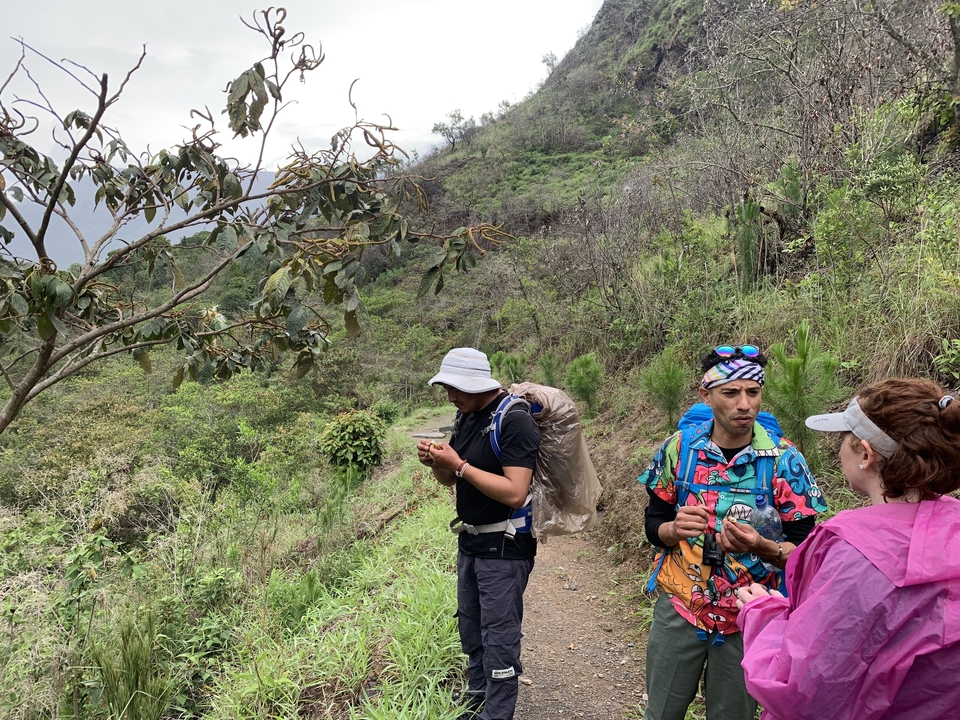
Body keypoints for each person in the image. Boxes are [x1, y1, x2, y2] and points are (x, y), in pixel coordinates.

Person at [737, 378, 960, 720]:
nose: (840, 448)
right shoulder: (951, 531)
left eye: (844, 439)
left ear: (866, 455)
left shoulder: (854, 558)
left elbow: (802, 691)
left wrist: (763, 614)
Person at [638, 344, 828, 720]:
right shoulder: (680, 450)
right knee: (661, 712)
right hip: (681, 605)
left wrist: (765, 547)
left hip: (750, 613)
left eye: (753, 392)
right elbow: (652, 524)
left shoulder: (784, 459)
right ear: (706, 395)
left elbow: (806, 550)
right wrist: (673, 528)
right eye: (731, 393)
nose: (745, 404)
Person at [415, 348, 540, 720]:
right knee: (471, 626)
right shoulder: (466, 415)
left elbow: (517, 492)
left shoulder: (515, 421)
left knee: (499, 635)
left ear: (476, 384)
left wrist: (460, 464)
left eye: (455, 389)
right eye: (446, 389)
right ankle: (476, 696)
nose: (450, 396)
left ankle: (498, 713)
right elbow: (449, 481)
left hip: (505, 545)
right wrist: (439, 464)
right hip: (470, 542)